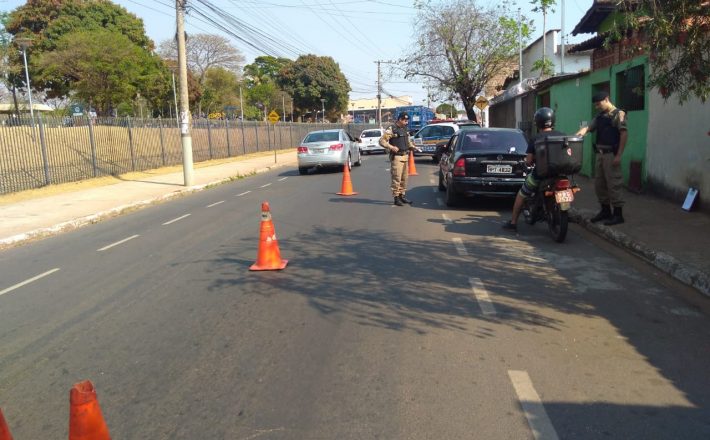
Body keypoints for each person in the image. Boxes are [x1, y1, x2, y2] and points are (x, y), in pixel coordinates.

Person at [503, 107, 566, 232]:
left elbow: (529, 160)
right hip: (560, 173)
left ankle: (513, 222)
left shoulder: (536, 138)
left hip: (541, 175)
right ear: (552, 121)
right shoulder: (562, 135)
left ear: (538, 122)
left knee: (521, 194)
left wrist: (528, 162)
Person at [575, 91, 628, 225]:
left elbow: (624, 134)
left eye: (599, 104)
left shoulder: (618, 114)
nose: (597, 107)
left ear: (606, 99)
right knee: (600, 185)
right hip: (600, 154)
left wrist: (619, 155)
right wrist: (576, 136)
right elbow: (588, 128)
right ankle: (605, 211)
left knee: (614, 184)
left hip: (611, 155)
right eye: (596, 105)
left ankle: (618, 214)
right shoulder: (599, 116)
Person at [380, 112, 418, 206]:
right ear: (400, 119)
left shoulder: (405, 129)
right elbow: (382, 141)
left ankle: (402, 196)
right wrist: (391, 147)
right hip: (397, 157)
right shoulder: (392, 129)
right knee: (396, 178)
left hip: (405, 156)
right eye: (405, 120)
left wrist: (413, 146)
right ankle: (396, 198)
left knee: (404, 178)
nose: (406, 122)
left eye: (407, 120)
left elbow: (408, 141)